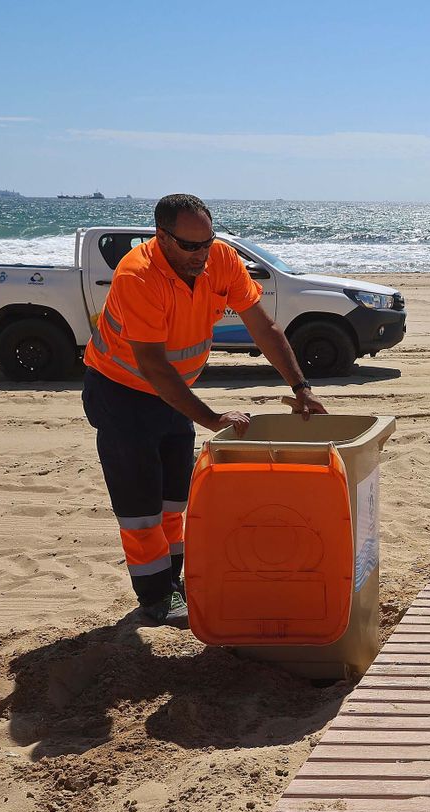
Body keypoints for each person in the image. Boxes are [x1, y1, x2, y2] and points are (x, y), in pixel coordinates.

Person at [83, 193, 327, 627]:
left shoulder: (222, 260)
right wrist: (213, 419)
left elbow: (263, 327)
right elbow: (153, 366)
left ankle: (173, 583)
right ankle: (155, 598)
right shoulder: (138, 276)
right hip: (121, 393)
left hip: (176, 392)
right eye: (190, 246)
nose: (201, 254)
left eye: (208, 242)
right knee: (141, 509)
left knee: (175, 500)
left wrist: (300, 385)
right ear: (162, 237)